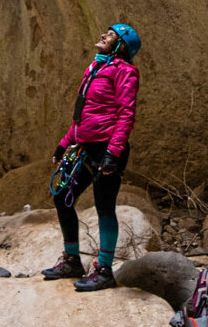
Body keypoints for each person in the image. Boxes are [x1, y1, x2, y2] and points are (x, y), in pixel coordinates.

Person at [43, 22, 141, 292]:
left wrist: (112, 153)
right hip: (85, 148)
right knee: (62, 198)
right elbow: (83, 114)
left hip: (106, 150)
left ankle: (104, 270)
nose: (103, 36)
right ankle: (72, 260)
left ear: (121, 45)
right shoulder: (96, 67)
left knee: (104, 207)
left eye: (110, 35)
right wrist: (64, 143)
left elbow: (126, 114)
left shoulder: (125, 71)